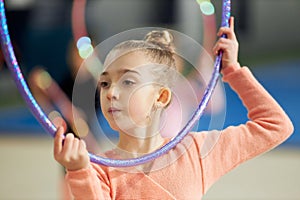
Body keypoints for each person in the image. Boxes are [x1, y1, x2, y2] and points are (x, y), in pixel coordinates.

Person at [53, 17, 294, 199]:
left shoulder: (197, 153)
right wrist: (79, 171)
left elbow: (275, 125)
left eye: (128, 81)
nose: (111, 92)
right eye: (105, 83)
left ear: (161, 96)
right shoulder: (98, 169)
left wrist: (233, 71)